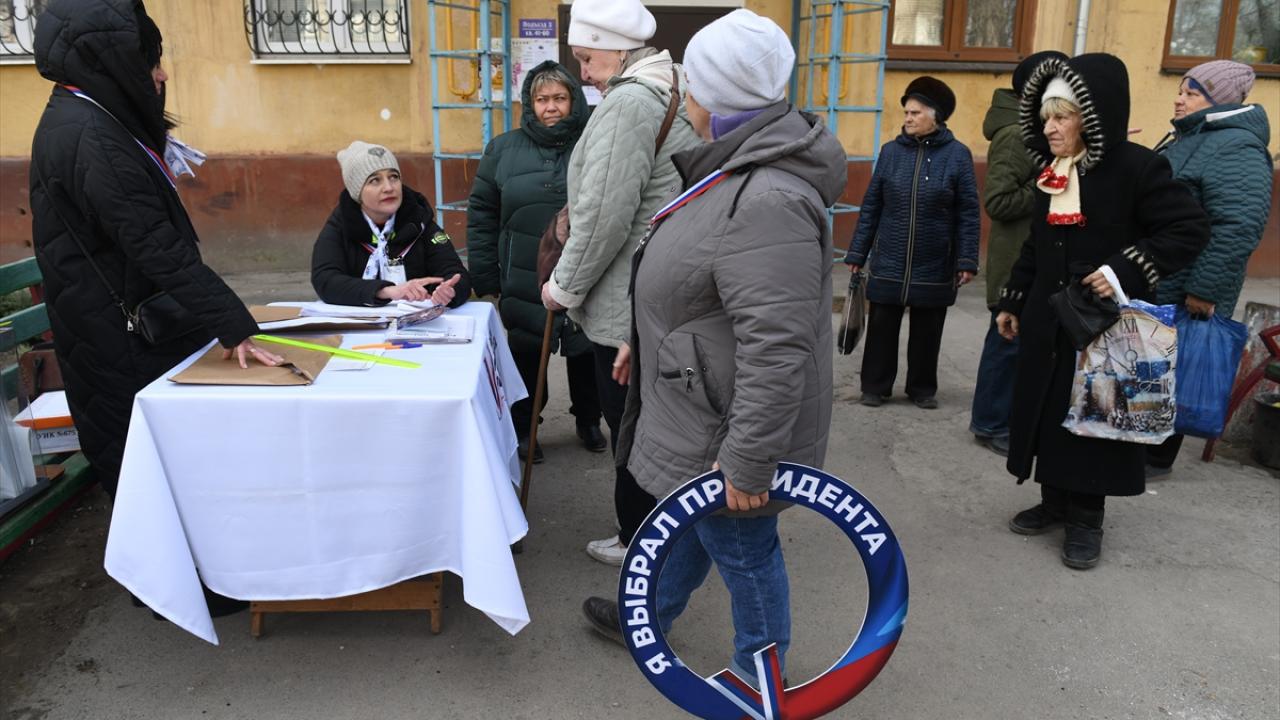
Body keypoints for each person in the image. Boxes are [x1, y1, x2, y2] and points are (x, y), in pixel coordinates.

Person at [580, 9, 845, 686]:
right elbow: (706, 288)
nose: (683, 96)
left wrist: (749, 463)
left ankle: (759, 672)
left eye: (691, 86)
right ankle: (649, 613)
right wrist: (648, 340)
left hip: (727, 424)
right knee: (692, 527)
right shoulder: (736, 164)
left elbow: (777, 347)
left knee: (740, 542)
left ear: (718, 96)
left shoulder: (767, 196)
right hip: (699, 398)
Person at [30, 0, 285, 504]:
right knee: (151, 499)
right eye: (150, 62)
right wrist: (235, 325)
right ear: (110, 62)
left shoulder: (86, 117)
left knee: (154, 493)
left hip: (115, 337)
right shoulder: (91, 135)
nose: (162, 74)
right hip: (120, 350)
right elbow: (156, 247)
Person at [996, 54, 1209, 570]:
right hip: (1052, 319)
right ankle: (1053, 501)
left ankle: (1087, 519)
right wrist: (1014, 298)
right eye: (1046, 117)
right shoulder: (1055, 172)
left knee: (1095, 421)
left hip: (1104, 326)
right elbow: (1036, 246)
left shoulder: (1138, 166)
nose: (1050, 127)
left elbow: (1188, 230)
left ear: (1092, 117)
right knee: (1051, 411)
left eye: (1062, 116)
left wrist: (1121, 272)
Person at [540, 0, 699, 566]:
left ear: (614, 47)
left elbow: (604, 213)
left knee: (628, 423)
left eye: (585, 58)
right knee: (655, 420)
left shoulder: (631, 100)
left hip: (626, 294)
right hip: (661, 283)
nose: (581, 72)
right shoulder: (671, 84)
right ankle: (658, 532)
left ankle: (642, 543)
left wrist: (563, 285)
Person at [467, 61, 605, 463]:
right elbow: (482, 214)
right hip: (523, 272)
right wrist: (485, 277)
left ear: (574, 100)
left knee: (585, 349)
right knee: (528, 353)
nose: (551, 108)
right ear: (529, 104)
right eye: (542, 99)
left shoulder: (595, 141)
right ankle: (526, 426)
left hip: (584, 267)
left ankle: (589, 418)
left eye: (559, 98)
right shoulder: (503, 149)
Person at [1146, 60, 1274, 477]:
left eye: (1192, 91)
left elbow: (1238, 225)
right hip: (1162, 275)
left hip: (1189, 285)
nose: (1179, 98)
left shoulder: (1236, 146)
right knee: (1153, 363)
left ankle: (1156, 456)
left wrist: (1205, 288)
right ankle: (1139, 441)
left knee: (1180, 365)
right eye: (1181, 90)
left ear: (1220, 97)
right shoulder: (1192, 136)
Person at [845, 76, 980, 410]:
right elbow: (873, 205)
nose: (907, 118)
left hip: (935, 258)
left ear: (935, 116)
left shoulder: (958, 155)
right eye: (906, 112)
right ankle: (875, 386)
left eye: (915, 113)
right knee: (882, 325)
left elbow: (968, 212)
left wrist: (966, 260)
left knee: (928, 329)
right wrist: (857, 253)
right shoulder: (890, 153)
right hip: (889, 255)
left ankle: (922, 388)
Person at [969, 51, 1068, 457]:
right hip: (1015, 259)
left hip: (1035, 255)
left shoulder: (1038, 130)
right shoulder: (1015, 135)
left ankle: (1001, 418)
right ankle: (990, 423)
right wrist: (1052, 180)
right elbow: (998, 201)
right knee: (1006, 342)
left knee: (1018, 341)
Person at [311, 141, 470, 309]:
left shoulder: (419, 222)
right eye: (375, 180)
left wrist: (448, 291)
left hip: (414, 326)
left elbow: (456, 273)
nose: (388, 187)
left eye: (393, 177)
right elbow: (325, 280)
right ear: (357, 192)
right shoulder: (340, 226)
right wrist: (386, 291)